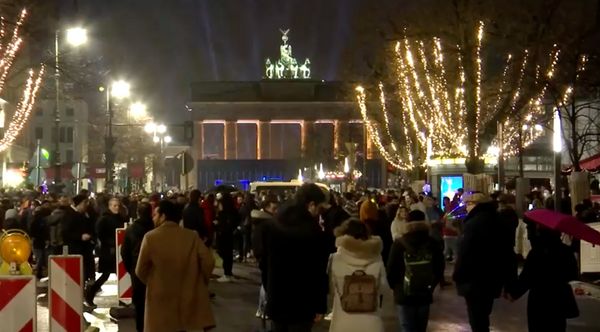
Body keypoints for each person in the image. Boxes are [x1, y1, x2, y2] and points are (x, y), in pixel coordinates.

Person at [136, 200, 215, 332]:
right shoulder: (191, 236)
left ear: (163, 216)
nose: (153, 218)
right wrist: (200, 281)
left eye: (155, 214)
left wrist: (153, 282)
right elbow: (208, 262)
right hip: (187, 295)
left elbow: (140, 270)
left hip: (160, 298)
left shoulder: (150, 237)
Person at [264, 183, 329, 332]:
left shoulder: (275, 223)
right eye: (319, 208)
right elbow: (318, 271)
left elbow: (265, 263)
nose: (319, 213)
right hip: (303, 302)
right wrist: (320, 305)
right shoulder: (313, 231)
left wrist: (269, 291)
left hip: (277, 298)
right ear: (311, 205)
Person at [453, 192, 516, 332]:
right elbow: (507, 252)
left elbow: (465, 253)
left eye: (468, 204)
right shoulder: (498, 220)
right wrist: (509, 281)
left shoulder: (473, 224)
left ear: (475, 205)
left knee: (477, 319)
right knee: (483, 315)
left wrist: (457, 275)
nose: (466, 208)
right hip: (492, 278)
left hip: (473, 279)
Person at [508, 225, 579, 331]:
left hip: (539, 300)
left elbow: (526, 278)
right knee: (557, 326)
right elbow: (573, 274)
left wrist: (513, 293)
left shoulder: (536, 252)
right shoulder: (566, 251)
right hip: (558, 298)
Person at [387, 210, 444, 332]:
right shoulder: (432, 242)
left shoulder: (399, 243)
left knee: (407, 327)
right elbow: (439, 268)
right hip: (424, 292)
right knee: (421, 328)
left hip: (404, 293)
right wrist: (432, 286)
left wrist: (395, 288)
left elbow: (391, 269)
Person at [328, 218, 387, 332]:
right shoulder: (377, 259)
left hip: (342, 322)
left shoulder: (334, 259)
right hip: (371, 322)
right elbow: (383, 288)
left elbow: (330, 289)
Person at [86, 198, 125, 307]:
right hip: (108, 252)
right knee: (106, 275)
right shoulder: (104, 219)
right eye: (114, 206)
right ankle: (90, 294)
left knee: (119, 275)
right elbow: (100, 234)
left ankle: (124, 298)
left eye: (118, 205)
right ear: (109, 206)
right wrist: (110, 243)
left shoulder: (119, 218)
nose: (116, 208)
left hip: (117, 251)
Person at [121, 202, 153, 332]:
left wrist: (131, 269)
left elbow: (124, 252)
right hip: (154, 270)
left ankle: (141, 328)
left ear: (138, 213)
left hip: (137, 270)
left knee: (139, 305)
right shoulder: (155, 227)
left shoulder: (131, 229)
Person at [251, 195, 278, 322]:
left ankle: (262, 309)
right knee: (267, 285)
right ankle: (264, 310)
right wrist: (261, 255)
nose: (276, 210)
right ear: (267, 207)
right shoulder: (265, 223)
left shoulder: (262, 221)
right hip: (267, 257)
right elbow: (260, 243)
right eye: (274, 207)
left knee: (265, 284)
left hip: (265, 257)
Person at [215, 192, 240, 282]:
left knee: (225, 254)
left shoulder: (225, 213)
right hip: (228, 235)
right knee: (227, 254)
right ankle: (228, 272)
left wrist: (219, 224)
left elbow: (225, 224)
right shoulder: (233, 211)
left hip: (224, 235)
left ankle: (227, 274)